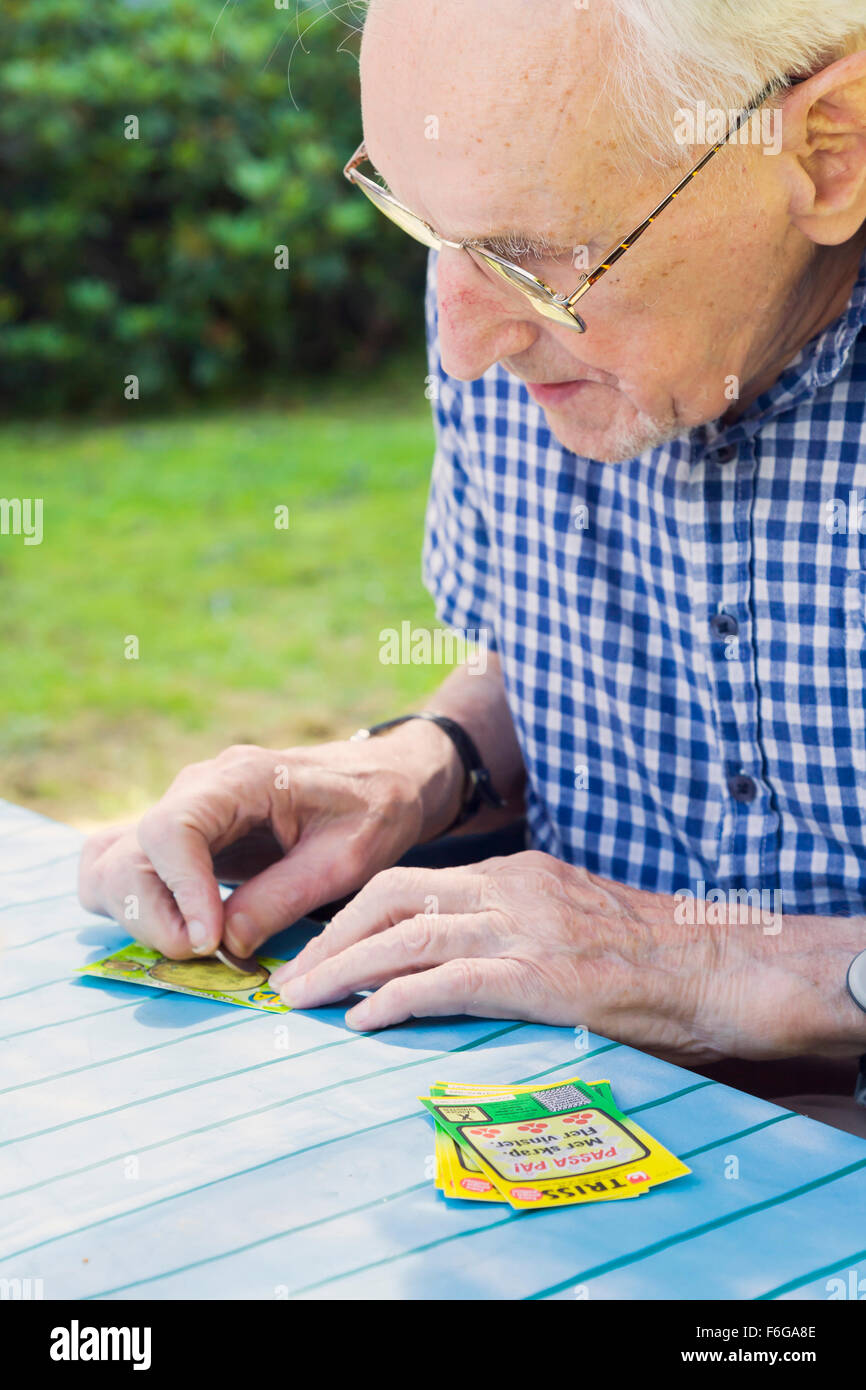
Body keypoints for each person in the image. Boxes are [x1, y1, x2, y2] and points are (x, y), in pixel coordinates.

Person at [80, 1, 866, 1133]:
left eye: (528, 255)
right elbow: (542, 654)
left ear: (827, 150)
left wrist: (726, 971)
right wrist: (420, 767)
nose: (459, 343)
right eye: (420, 225)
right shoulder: (494, 291)